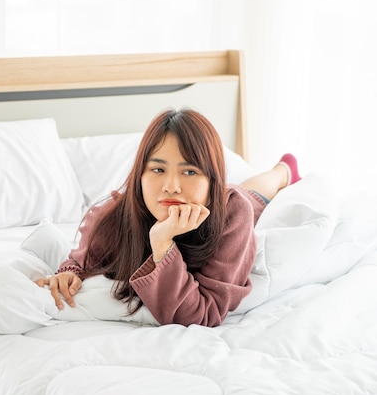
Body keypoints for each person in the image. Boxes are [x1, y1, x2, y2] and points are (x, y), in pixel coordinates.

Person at [35, 108, 302, 327]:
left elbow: (203, 315)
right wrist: (68, 273)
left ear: (211, 180)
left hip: (227, 204)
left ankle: (283, 171)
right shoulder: (113, 215)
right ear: (140, 174)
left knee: (252, 194)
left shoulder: (233, 211)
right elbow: (79, 260)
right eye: (158, 169)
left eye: (189, 172)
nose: (171, 186)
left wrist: (162, 244)